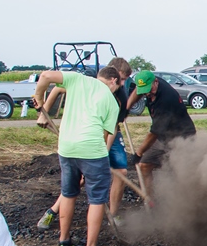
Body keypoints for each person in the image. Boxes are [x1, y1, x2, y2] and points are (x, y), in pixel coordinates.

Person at [32, 66, 120, 246]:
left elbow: (45, 76)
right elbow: (106, 135)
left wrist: (39, 97)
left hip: (67, 148)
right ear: (113, 81)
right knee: (97, 199)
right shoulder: (112, 102)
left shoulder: (77, 79)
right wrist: (96, 161)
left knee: (69, 193)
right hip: (93, 150)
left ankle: (64, 241)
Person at [37, 58, 136, 230]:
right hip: (83, 132)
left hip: (108, 133)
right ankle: (53, 211)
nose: (122, 83)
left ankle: (113, 215)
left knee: (121, 171)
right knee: (80, 179)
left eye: (125, 80)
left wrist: (102, 153)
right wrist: (44, 113)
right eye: (121, 78)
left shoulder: (120, 95)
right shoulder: (89, 80)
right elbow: (57, 89)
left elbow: (112, 128)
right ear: (112, 73)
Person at [126, 70, 196, 194]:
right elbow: (138, 90)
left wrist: (138, 153)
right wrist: (127, 108)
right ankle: (150, 202)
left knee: (180, 173)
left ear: (156, 82)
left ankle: (185, 203)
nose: (147, 93)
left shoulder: (166, 99)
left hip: (182, 138)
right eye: (144, 90)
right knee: (144, 165)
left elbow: (154, 133)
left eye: (149, 89)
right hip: (163, 137)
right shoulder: (148, 82)